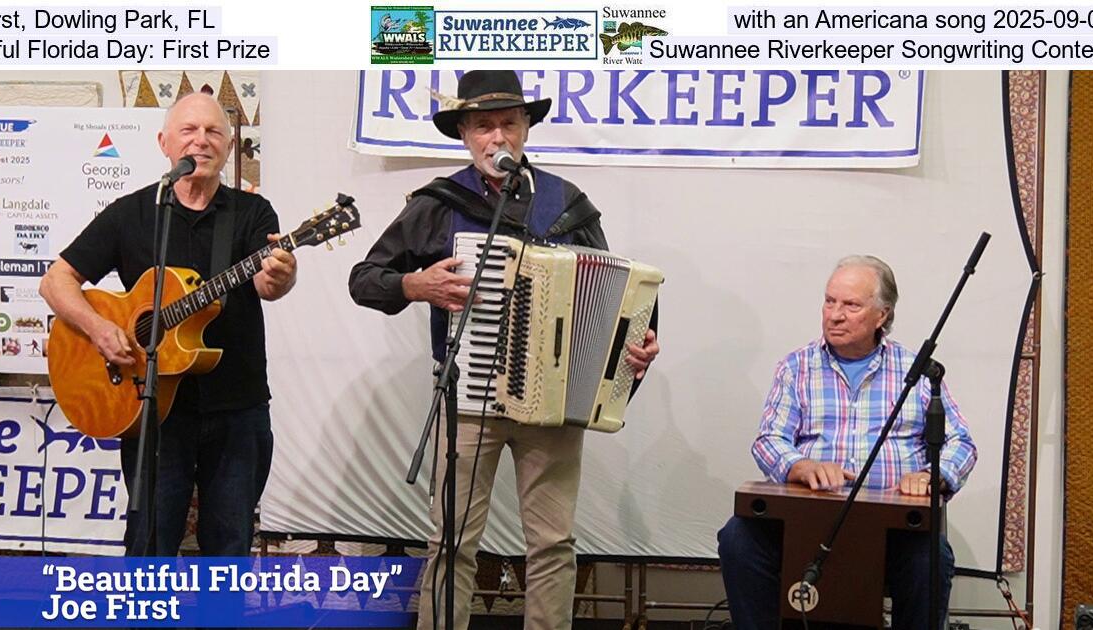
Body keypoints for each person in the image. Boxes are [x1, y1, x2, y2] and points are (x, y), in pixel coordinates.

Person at [349, 70, 659, 630]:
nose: (498, 137)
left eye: (509, 124)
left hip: (551, 406)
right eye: (484, 126)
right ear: (466, 135)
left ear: (525, 131)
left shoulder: (568, 204)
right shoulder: (439, 203)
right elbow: (364, 277)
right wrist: (416, 285)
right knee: (452, 541)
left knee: (552, 543)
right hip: (467, 402)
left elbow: (618, 297)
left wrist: (634, 347)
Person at [39, 93, 298, 556]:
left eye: (214, 131)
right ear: (164, 143)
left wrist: (281, 274)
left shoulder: (253, 214)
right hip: (151, 409)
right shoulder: (133, 213)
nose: (202, 140)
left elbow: (265, 284)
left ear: (230, 144)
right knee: (149, 544)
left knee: (230, 547)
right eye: (189, 130)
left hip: (237, 408)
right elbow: (57, 281)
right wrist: (100, 330)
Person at [717, 255, 978, 630]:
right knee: (738, 538)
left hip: (892, 530)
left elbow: (962, 443)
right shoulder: (797, 367)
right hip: (809, 521)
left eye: (851, 305)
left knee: (931, 556)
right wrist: (800, 466)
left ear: (882, 315)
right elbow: (769, 440)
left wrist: (931, 475)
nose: (835, 314)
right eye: (829, 301)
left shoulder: (916, 370)